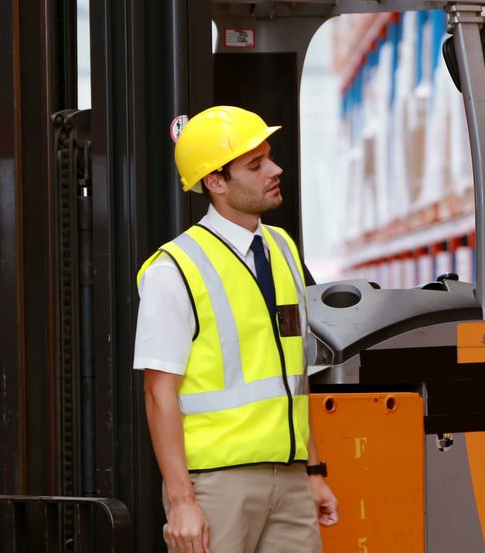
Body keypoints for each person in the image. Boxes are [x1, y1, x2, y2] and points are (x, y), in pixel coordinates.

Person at [134, 106, 339, 553]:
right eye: (255, 164)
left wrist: (313, 472)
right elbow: (158, 393)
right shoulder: (174, 269)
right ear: (216, 182)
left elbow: (295, 375)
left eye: (269, 157)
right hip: (218, 487)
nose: (275, 169)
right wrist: (181, 501)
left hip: (289, 479)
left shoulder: (282, 248)